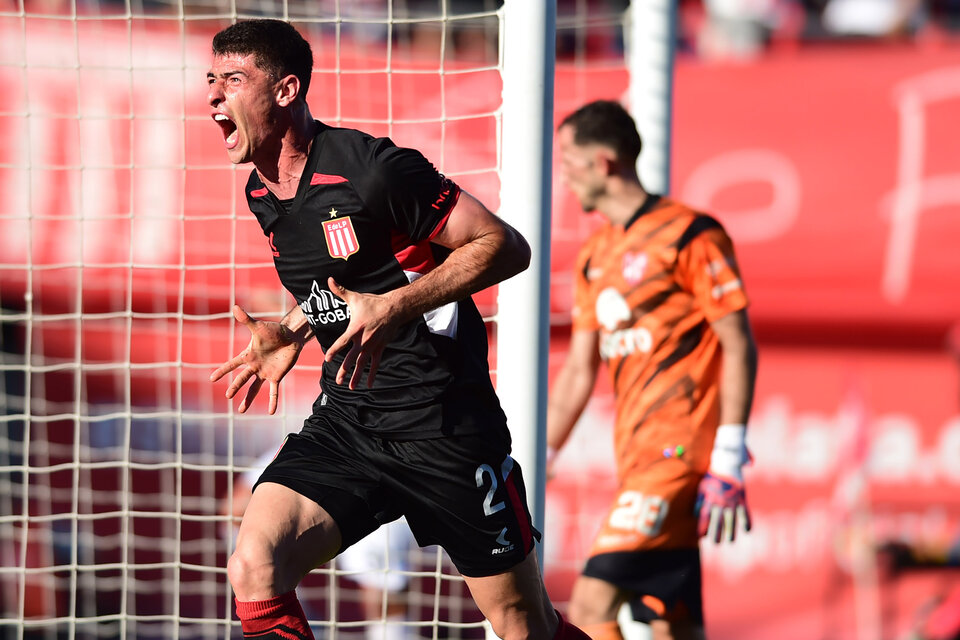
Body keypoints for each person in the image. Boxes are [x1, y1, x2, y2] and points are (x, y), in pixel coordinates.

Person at [204, 18, 589, 640]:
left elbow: (505, 246)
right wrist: (294, 328)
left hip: (443, 425)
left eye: (233, 80)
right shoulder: (262, 195)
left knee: (523, 623)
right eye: (211, 81)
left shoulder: (373, 169)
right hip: (350, 423)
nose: (214, 96)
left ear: (286, 90)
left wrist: (399, 306)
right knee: (254, 564)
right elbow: (353, 291)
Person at [546, 100, 759, 640]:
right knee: (667, 622)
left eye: (569, 159)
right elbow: (578, 371)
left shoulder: (691, 235)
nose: (563, 175)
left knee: (594, 595)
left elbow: (737, 341)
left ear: (604, 162)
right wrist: (541, 453)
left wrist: (730, 452)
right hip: (636, 459)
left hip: (680, 453)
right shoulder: (594, 256)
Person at [221, 451, 420, 640]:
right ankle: (301, 617)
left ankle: (391, 633)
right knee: (241, 534)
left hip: (400, 454)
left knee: (380, 573)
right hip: (336, 429)